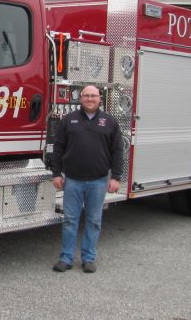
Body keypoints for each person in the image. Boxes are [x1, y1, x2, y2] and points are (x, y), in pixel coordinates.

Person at [51, 84, 123, 273]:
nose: (90, 99)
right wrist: (57, 173)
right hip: (72, 180)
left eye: (94, 96)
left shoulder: (110, 122)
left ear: (100, 98)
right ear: (80, 98)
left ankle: (88, 258)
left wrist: (116, 177)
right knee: (69, 220)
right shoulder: (68, 120)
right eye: (86, 96)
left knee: (94, 220)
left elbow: (117, 151)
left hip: (98, 181)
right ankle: (66, 258)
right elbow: (58, 148)